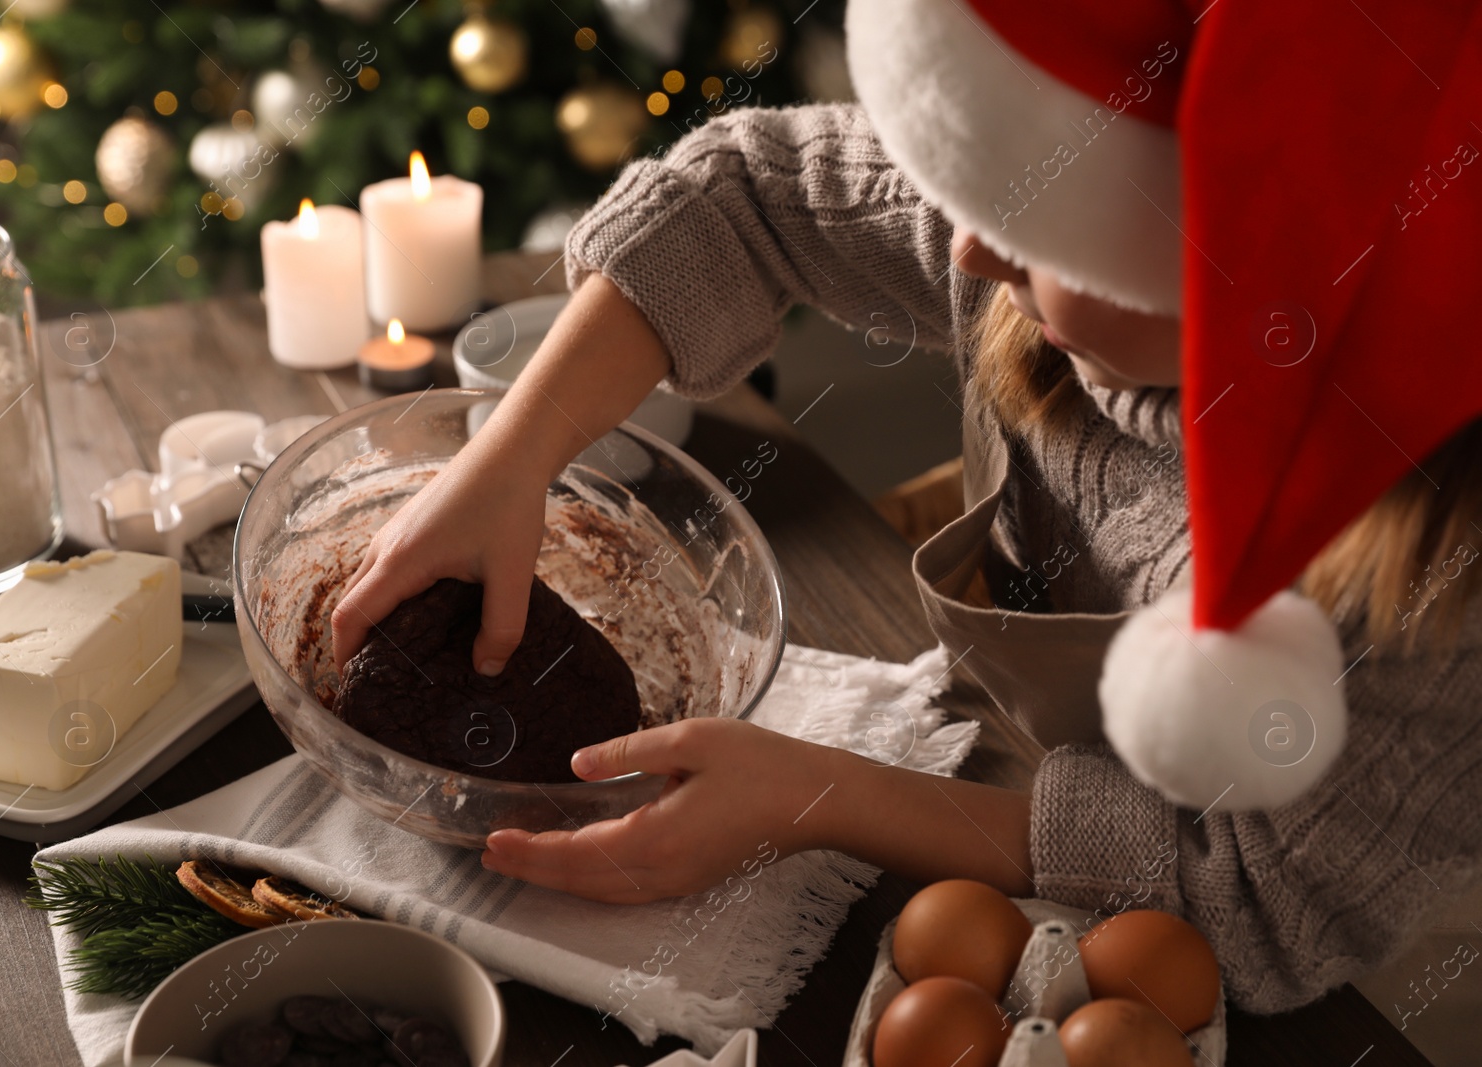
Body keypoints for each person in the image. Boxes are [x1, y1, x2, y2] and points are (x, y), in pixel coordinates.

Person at [332, 1, 1482, 1059]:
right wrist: (510, 456)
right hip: (1025, 765)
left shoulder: (1429, 570)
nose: (971, 250)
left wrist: (818, 799)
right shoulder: (1050, 204)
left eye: (1031, 231)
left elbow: (1256, 903)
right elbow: (742, 194)